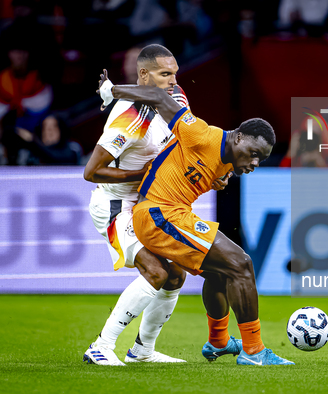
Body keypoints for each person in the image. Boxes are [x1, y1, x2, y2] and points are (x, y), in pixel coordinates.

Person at [97, 69, 294, 366]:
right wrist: (112, 90)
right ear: (238, 137)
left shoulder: (226, 162)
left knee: (219, 272)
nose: (254, 162)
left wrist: (221, 175)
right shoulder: (200, 133)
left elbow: (192, 164)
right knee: (241, 264)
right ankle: (253, 351)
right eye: (253, 153)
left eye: (261, 159)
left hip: (170, 214)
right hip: (157, 214)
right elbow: (157, 96)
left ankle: (217, 343)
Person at [82, 44, 232, 366]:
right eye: (166, 74)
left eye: (176, 73)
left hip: (149, 205)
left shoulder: (176, 99)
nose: (173, 81)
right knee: (155, 272)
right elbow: (91, 172)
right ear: (144, 75)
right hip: (116, 204)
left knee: (176, 276)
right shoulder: (129, 115)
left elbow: (186, 144)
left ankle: (142, 352)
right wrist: (144, 173)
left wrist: (211, 174)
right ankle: (101, 347)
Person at [15, 114, 82, 165]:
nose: (49, 130)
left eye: (54, 126)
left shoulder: (73, 148)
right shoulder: (31, 153)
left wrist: (33, 140)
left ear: (61, 130)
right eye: (45, 127)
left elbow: (58, 159)